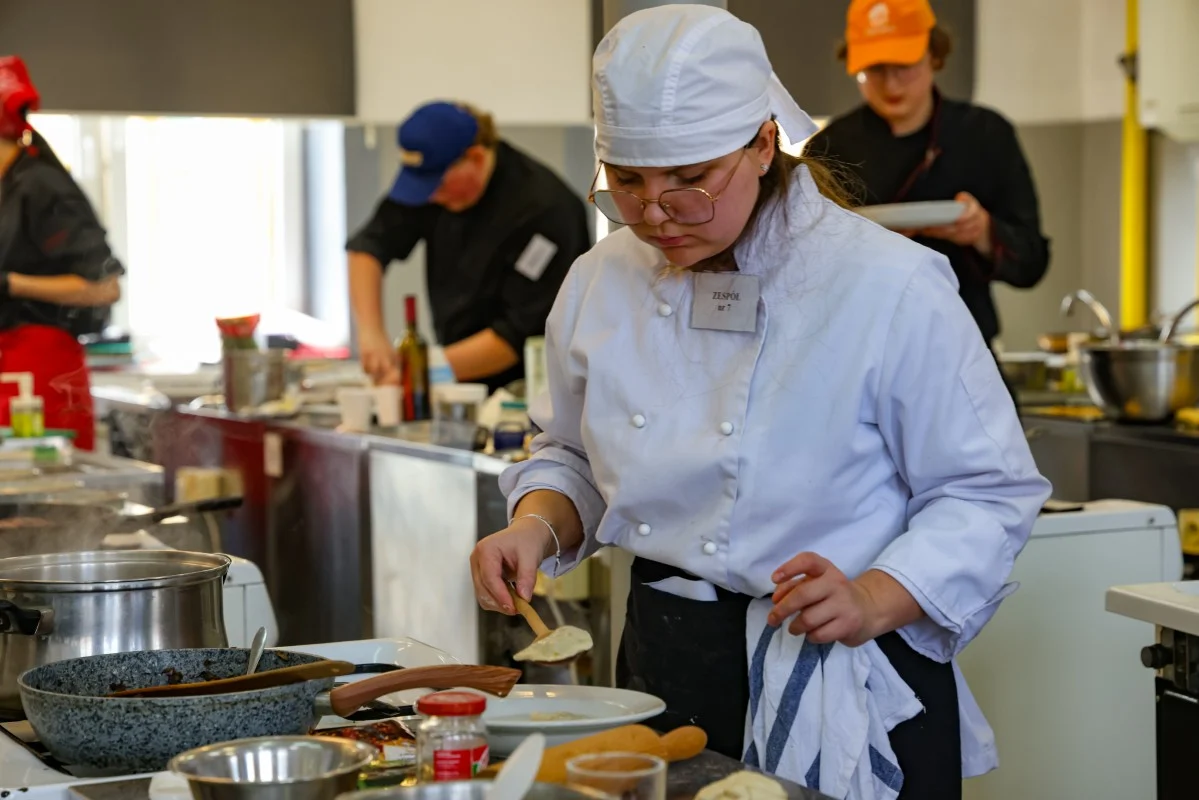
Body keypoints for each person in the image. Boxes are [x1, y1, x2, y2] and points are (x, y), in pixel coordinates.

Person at [470, 6, 1050, 799]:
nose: (654, 212)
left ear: (762, 144)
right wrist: (534, 524)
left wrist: (873, 596)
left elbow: (986, 493)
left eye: (688, 181)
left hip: (847, 669)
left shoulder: (887, 285)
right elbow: (568, 451)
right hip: (666, 665)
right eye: (627, 182)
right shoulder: (600, 279)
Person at [805, 0, 1050, 357]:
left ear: (934, 55)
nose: (891, 83)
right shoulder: (829, 147)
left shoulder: (985, 134)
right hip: (858, 352)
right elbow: (800, 268)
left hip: (965, 350)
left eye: (904, 66)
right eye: (874, 69)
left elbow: (1032, 263)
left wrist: (982, 232)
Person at [347, 101, 591, 393]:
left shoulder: (546, 211)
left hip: (527, 389)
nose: (431, 197)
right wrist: (370, 333)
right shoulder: (430, 184)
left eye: (436, 185)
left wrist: (422, 370)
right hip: (454, 373)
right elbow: (369, 247)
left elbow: (516, 335)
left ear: (475, 157)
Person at [0, 56, 123, 451]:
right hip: (9, 371)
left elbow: (104, 288)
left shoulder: (43, 188)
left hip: (43, 375)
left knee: (44, 502)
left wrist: (10, 284)